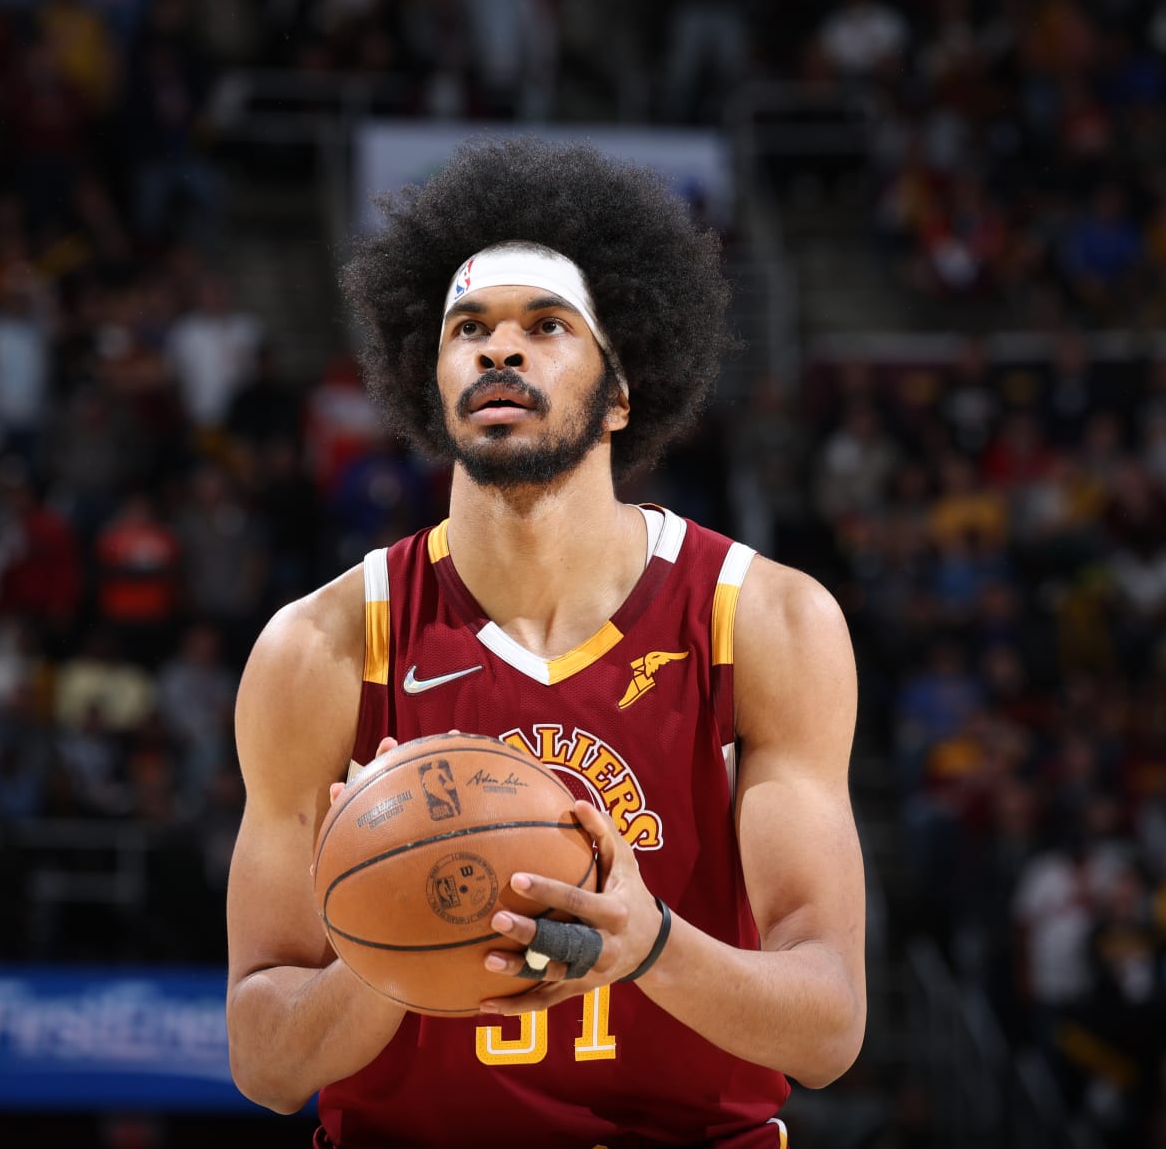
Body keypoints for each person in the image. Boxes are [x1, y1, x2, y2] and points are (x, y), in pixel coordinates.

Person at [225, 139, 869, 1146]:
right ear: (428, 381)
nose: (499, 349)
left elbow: (827, 1026)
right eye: (468, 328)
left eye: (547, 325)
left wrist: (650, 945)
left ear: (622, 390)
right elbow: (265, 1063)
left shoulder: (767, 622)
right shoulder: (320, 649)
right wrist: (389, 936)